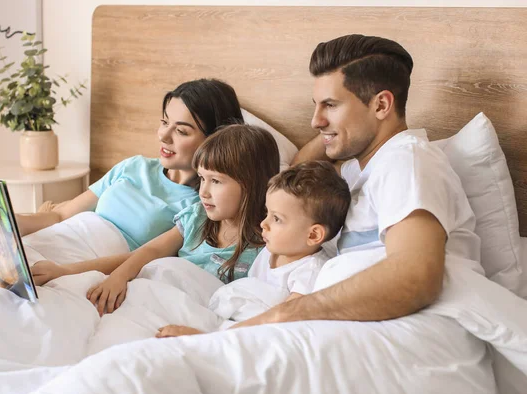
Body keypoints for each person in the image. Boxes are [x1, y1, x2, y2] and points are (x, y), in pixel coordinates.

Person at [224, 34, 482, 329]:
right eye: (316, 105)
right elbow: (297, 178)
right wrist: (333, 131)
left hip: (413, 330)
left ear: (382, 105)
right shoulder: (357, 171)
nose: (315, 120)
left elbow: (415, 275)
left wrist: (284, 314)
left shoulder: (406, 161)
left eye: (331, 105)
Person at [16, 79, 244, 282]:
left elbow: (141, 258)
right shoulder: (135, 166)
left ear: (215, 140)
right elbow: (61, 215)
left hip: (86, 266)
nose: (163, 136)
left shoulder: (203, 205)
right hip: (59, 238)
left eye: (181, 131)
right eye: (164, 123)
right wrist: (12, 223)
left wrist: (65, 271)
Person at [80, 124, 280, 315]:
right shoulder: (197, 217)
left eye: (216, 181)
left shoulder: (267, 245)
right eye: (202, 178)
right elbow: (151, 251)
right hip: (156, 302)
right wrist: (119, 276)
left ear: (251, 185)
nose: (203, 192)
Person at [156, 160, 351, 338]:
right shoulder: (270, 250)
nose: (264, 224)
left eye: (277, 219)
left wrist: (208, 336)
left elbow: (280, 321)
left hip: (253, 333)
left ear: (313, 235)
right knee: (165, 270)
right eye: (267, 213)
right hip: (231, 318)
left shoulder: (309, 272)